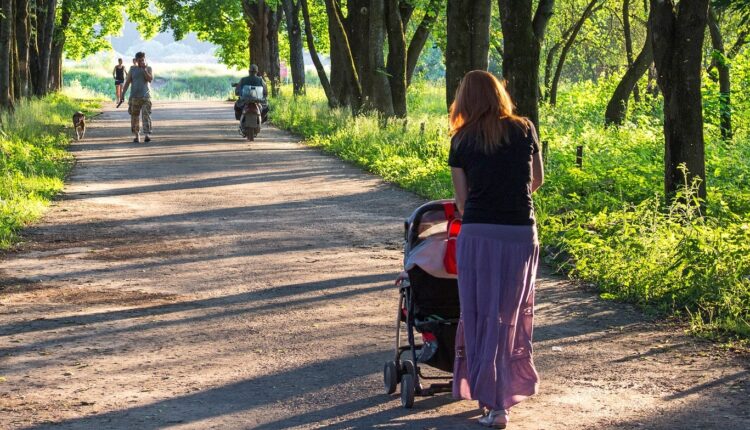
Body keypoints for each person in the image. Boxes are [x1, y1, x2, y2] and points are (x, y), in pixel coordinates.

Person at [448, 70, 544, 429]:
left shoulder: (461, 140)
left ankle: (492, 403)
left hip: (478, 234)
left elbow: (461, 200)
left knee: (480, 315)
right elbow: (536, 180)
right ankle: (505, 394)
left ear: (464, 100)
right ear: (499, 94)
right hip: (520, 233)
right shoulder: (524, 129)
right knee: (512, 316)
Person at [121, 52, 153, 143]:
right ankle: (136, 135)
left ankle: (146, 134)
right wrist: (122, 95)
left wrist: (144, 70)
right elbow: (127, 82)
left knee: (146, 115)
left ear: (145, 59)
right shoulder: (132, 69)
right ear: (136, 60)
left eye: (142, 60)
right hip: (134, 97)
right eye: (139, 60)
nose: (140, 62)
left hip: (146, 96)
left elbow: (150, 79)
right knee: (134, 117)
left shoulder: (149, 68)